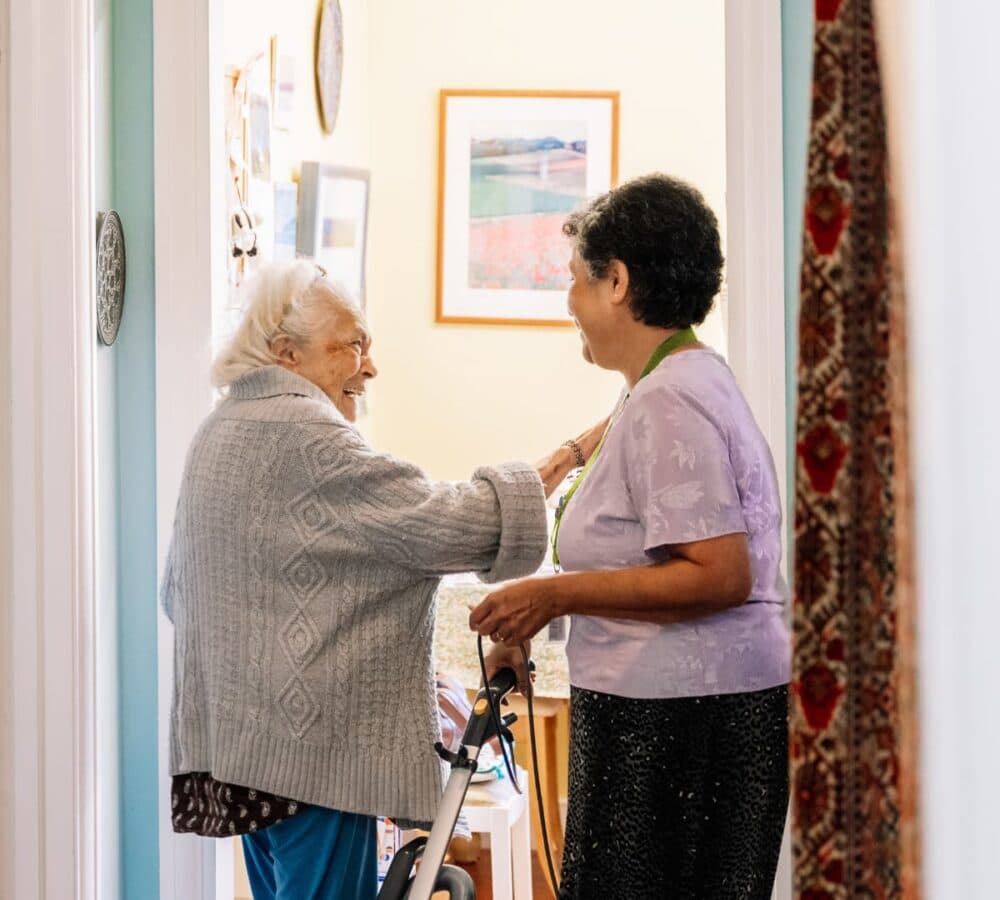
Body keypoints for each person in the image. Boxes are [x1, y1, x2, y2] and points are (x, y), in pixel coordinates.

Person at [161, 261, 605, 900]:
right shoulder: (309, 436)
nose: (370, 367)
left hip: (241, 759)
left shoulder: (218, 431)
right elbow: (445, 522)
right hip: (310, 764)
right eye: (354, 345)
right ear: (288, 354)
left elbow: (179, 590)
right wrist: (569, 454)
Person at [471, 174, 790, 899]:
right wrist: (568, 457)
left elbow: (718, 573)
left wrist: (550, 598)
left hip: (674, 730)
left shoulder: (669, 399)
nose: (570, 304)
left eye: (578, 281)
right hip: (696, 714)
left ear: (617, 282)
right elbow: (634, 436)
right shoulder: (679, 379)